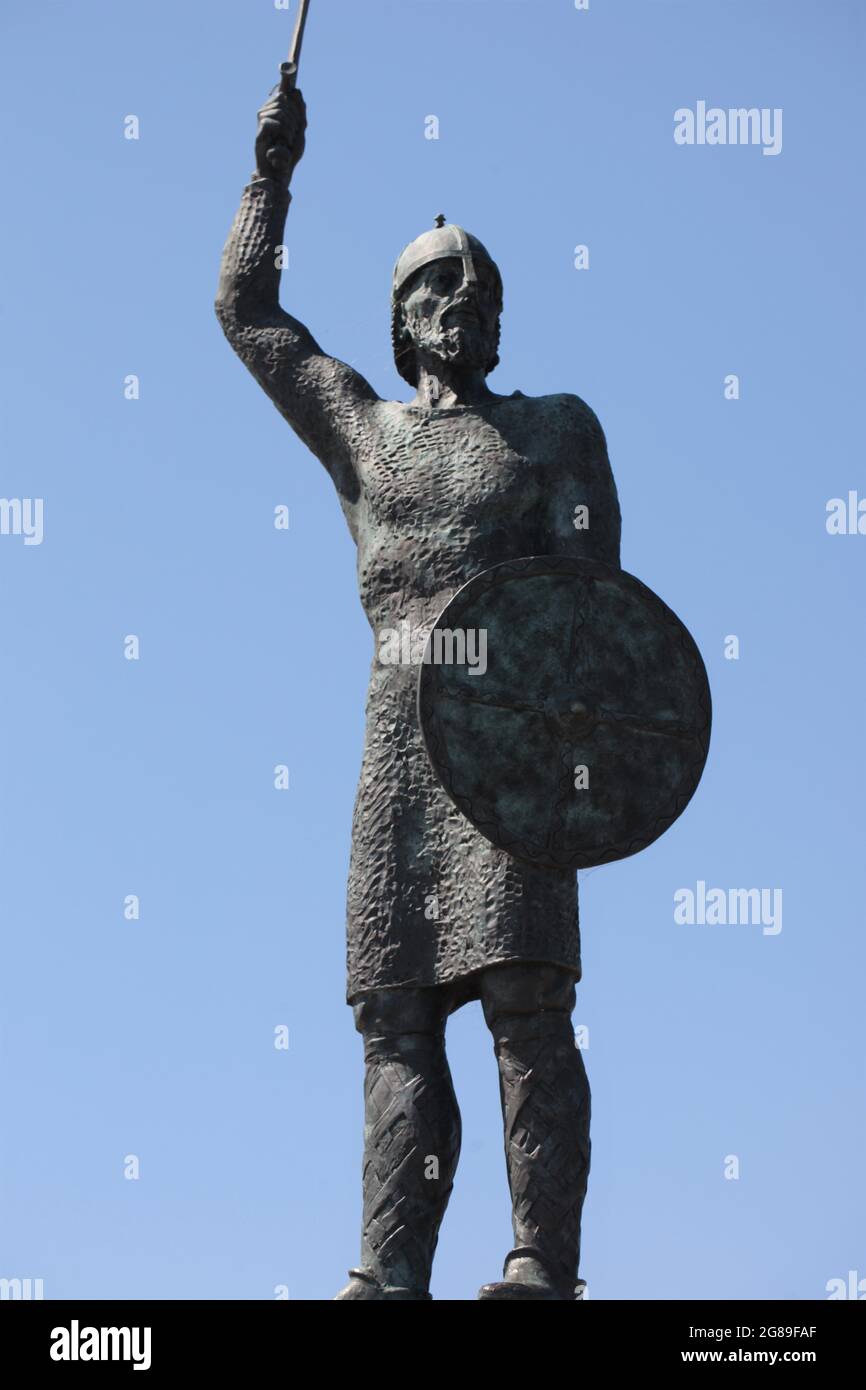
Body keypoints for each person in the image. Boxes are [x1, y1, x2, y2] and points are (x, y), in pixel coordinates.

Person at [216, 78, 621, 1301]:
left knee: (521, 1000)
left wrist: (579, 762)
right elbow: (244, 309)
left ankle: (540, 1264)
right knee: (392, 1018)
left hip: (508, 744)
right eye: (436, 287)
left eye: (481, 288)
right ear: (399, 323)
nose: (463, 301)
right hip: (395, 745)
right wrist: (272, 173)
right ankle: (390, 1270)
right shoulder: (366, 433)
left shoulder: (552, 430)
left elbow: (600, 607)